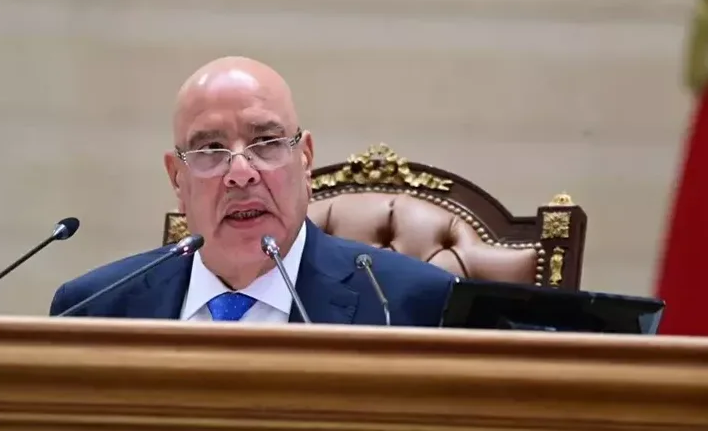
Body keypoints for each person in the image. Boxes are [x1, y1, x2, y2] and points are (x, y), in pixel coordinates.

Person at [49, 56, 456, 326]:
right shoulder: (93, 310)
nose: (241, 174)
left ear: (305, 161)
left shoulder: (412, 306)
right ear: (177, 179)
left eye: (266, 143)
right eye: (211, 149)